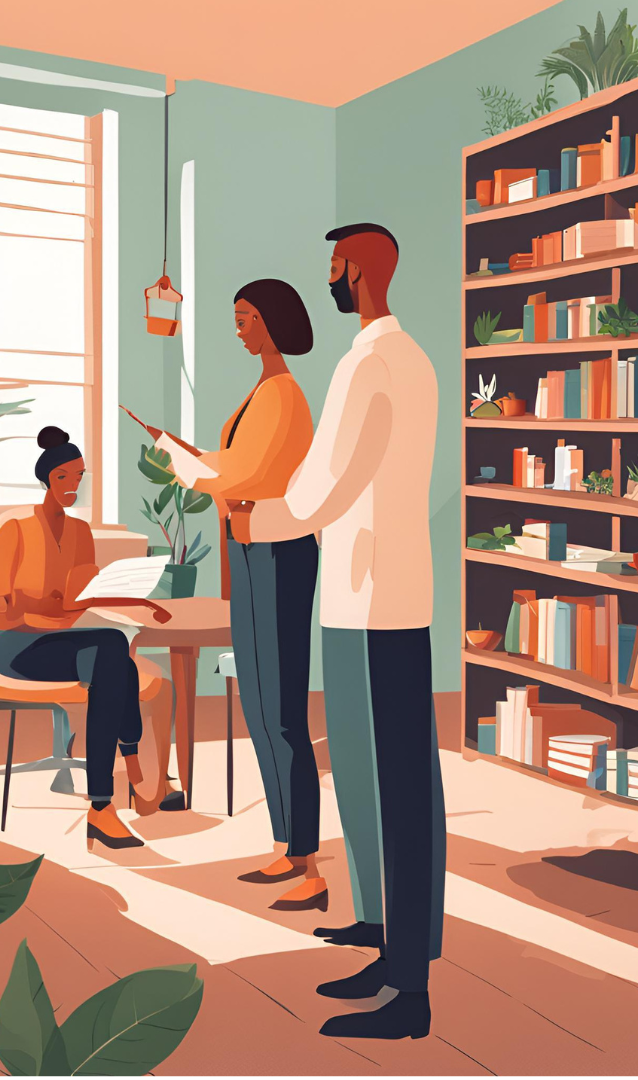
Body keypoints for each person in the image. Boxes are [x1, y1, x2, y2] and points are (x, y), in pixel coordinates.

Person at [229, 225, 446, 1040]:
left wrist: (259, 519)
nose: (328, 278)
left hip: (379, 601)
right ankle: (382, 933)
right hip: (360, 595)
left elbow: (326, 483)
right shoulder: (391, 359)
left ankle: (411, 988)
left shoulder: (377, 363)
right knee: (363, 772)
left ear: (359, 271)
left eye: (333, 267)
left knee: (398, 786)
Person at [153, 279, 323, 909]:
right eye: (237, 317)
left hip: (277, 552)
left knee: (280, 707)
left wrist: (197, 467)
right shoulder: (262, 390)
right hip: (247, 548)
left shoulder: (285, 395)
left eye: (247, 317)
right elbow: (234, 464)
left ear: (274, 322)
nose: (240, 328)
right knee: (258, 700)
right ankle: (287, 845)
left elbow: (252, 472)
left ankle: (303, 851)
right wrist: (197, 461)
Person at [0, 425, 174, 851]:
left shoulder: (81, 533)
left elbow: (81, 599)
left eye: (79, 477)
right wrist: (51, 616)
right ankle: (130, 778)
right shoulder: (12, 529)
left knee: (114, 652)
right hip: (17, 647)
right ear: (47, 479)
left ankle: (107, 801)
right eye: (64, 477)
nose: (72, 486)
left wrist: (132, 603)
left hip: (63, 639)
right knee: (112, 652)